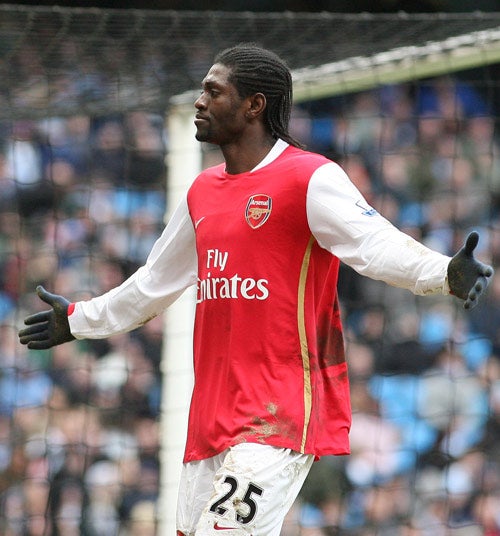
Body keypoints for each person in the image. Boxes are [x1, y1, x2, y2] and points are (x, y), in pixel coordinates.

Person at [18, 44, 493, 536]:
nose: (199, 102)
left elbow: (372, 244)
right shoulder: (201, 191)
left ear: (254, 105)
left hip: (278, 416)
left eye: (213, 91)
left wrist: (442, 273)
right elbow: (152, 284)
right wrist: (78, 319)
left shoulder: (309, 178)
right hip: (209, 419)